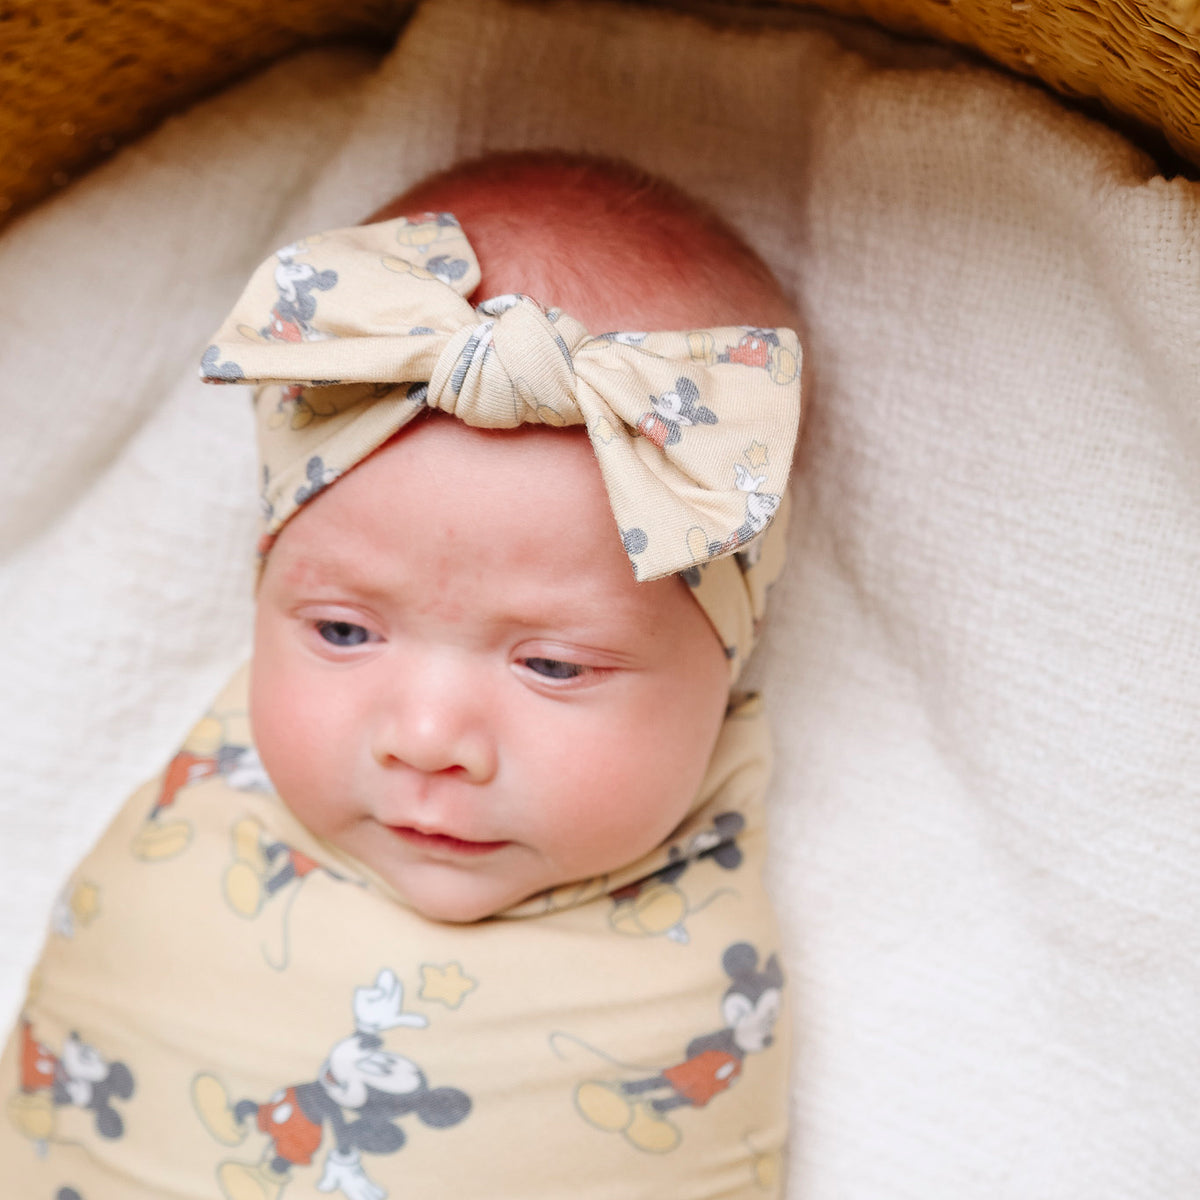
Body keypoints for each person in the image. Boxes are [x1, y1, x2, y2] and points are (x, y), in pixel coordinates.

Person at [0, 152, 802, 1199]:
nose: (424, 736)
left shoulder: (688, 991)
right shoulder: (211, 816)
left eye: (552, 662)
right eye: (341, 633)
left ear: (726, 657)